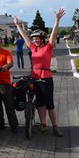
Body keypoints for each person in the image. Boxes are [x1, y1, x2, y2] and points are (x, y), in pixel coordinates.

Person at [14, 8, 65, 137]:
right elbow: (25, 37)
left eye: (38, 38)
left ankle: (55, 127)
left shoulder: (48, 48)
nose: (35, 40)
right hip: (34, 77)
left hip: (46, 78)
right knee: (40, 104)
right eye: (34, 38)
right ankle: (43, 125)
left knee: (49, 104)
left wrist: (57, 20)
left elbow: (53, 34)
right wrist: (17, 25)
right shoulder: (32, 47)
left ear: (42, 39)